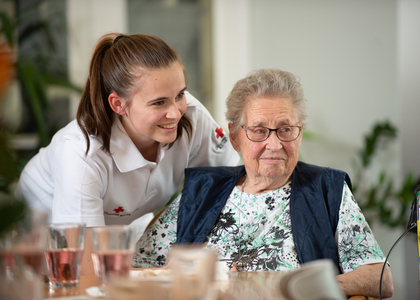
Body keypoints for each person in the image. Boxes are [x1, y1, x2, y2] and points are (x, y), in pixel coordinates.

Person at [132, 69, 394, 298]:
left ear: (299, 132)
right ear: (235, 137)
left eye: (286, 129)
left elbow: (380, 278)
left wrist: (298, 286)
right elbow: (139, 267)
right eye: (259, 131)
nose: (274, 144)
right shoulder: (202, 190)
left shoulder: (327, 189)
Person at [14, 33, 239, 274]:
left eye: (180, 95)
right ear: (118, 104)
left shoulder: (191, 116)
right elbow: (85, 272)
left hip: (118, 236)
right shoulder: (81, 153)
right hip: (38, 251)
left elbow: (232, 186)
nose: (175, 112)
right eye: (158, 103)